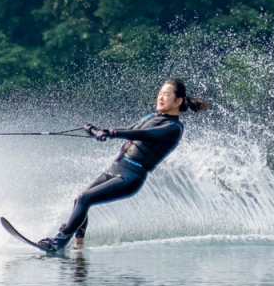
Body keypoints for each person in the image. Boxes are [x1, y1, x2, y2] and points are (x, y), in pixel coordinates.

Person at [38, 78, 210, 252]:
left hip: (130, 177)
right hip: (115, 168)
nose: (160, 97)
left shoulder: (174, 128)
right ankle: (78, 246)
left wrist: (111, 133)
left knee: (85, 198)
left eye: (166, 94)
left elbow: (143, 134)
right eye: (159, 93)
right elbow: (129, 129)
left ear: (178, 101)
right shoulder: (152, 117)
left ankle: (58, 242)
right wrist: (99, 131)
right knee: (79, 200)